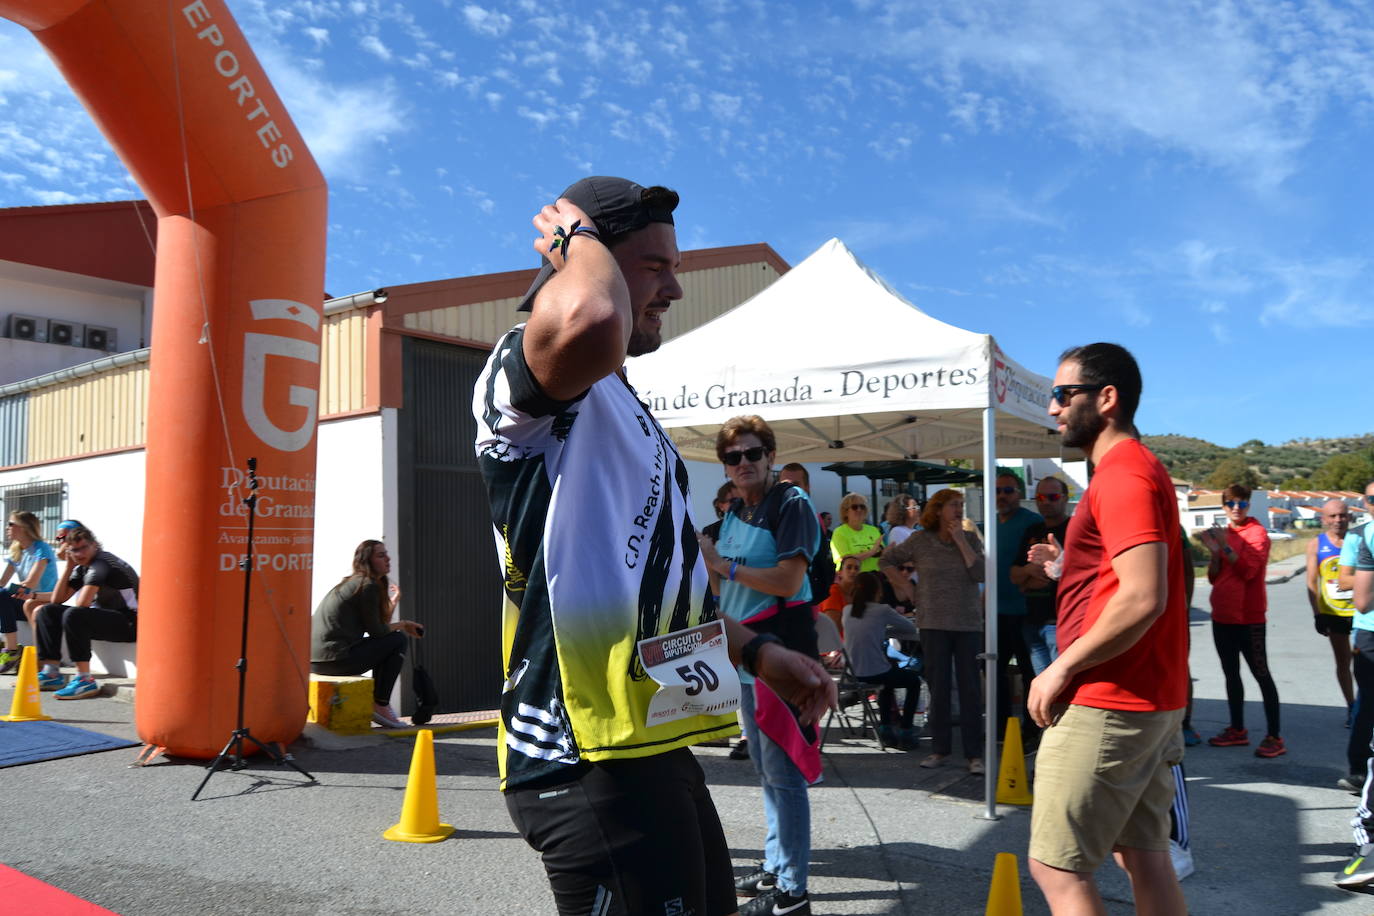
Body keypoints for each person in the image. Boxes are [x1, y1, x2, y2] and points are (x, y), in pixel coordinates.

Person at [472, 176, 834, 916]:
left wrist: (762, 654)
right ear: (587, 258)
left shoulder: (621, 404)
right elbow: (593, 314)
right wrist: (576, 241)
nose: (674, 286)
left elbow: (657, 591)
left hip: (647, 742)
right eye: (655, 265)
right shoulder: (530, 365)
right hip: (582, 758)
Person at [1024, 342, 1188, 915]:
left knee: (1055, 867)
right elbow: (1130, 581)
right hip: (1148, 697)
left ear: (1107, 398)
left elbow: (1144, 595)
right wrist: (1069, 568)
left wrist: (1061, 667)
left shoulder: (1122, 473)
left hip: (1110, 698)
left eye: (1063, 395)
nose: (1053, 408)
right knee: (1143, 855)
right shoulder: (1135, 471)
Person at [698, 414, 821, 916]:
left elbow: (788, 582)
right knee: (769, 772)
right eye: (733, 457)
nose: (743, 463)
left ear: (770, 456)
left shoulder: (790, 502)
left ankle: (792, 892)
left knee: (785, 773)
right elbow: (722, 585)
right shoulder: (733, 512)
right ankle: (776, 866)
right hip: (746, 657)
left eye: (752, 454)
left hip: (781, 654)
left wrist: (719, 564)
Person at [880, 487, 985, 774]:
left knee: (970, 690)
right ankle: (940, 750)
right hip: (932, 622)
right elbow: (885, 560)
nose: (959, 510)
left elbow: (981, 574)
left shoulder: (972, 539)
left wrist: (962, 542)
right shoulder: (920, 540)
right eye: (954, 505)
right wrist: (904, 587)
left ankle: (974, 755)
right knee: (937, 689)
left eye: (961, 505)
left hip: (967, 623)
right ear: (938, 510)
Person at [1197, 483, 1282, 757]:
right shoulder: (1226, 534)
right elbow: (1214, 578)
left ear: (1248, 505)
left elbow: (1247, 572)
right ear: (1224, 506)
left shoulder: (1257, 534)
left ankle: (1274, 737)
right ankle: (1237, 729)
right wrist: (1213, 553)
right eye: (1231, 503)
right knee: (1231, 675)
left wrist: (1224, 546)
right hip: (1222, 617)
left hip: (1249, 618)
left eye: (1242, 504)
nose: (1236, 508)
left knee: (1261, 675)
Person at [310, 540, 422, 729]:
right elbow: (378, 632)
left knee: (392, 639)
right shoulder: (367, 585)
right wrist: (403, 625)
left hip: (318, 661)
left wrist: (393, 602)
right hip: (334, 661)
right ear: (367, 561)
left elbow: (379, 626)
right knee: (398, 640)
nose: (388, 558)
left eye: (386, 553)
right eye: (381, 555)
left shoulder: (356, 582)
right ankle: (381, 703)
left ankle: (380, 703)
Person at [32, 525, 139, 700]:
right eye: (74, 550)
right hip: (110, 618)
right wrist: (68, 567)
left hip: (131, 621)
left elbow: (83, 604)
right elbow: (57, 600)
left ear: (94, 545)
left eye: (84, 548)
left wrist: (74, 565)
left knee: (75, 614)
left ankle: (84, 679)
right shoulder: (83, 567)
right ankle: (51, 673)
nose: (80, 554)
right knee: (48, 611)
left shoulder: (102, 563)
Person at [843, 571, 922, 748]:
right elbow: (909, 627)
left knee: (887, 673)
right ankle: (906, 730)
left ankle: (886, 727)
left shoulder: (847, 610)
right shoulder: (882, 610)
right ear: (877, 591)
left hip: (851, 674)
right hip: (874, 673)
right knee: (912, 681)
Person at [1337, 531, 1374, 889]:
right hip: (1368, 634)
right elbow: (1348, 586)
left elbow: (1360, 597)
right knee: (1366, 711)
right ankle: (1356, 768)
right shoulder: (1363, 536)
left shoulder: (1367, 535)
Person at [993, 471, 1041, 740]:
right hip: (996, 612)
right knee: (994, 671)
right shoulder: (991, 523)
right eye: (998, 490)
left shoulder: (1032, 522)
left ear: (1019, 493)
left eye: (1008, 490)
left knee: (1029, 673)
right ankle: (1000, 728)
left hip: (1025, 611)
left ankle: (1030, 730)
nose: (1002, 495)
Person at [1011, 476, 1072, 675]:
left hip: (1061, 623)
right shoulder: (1033, 530)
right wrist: (1029, 572)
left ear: (1064, 498)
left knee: (1060, 686)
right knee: (1040, 684)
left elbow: (1080, 574)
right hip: (1032, 621)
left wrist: (1054, 568)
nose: (1045, 501)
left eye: (1052, 496)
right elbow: (1015, 575)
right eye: (1040, 496)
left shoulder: (1075, 530)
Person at [1309, 499, 1357, 715]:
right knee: (1343, 661)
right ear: (1324, 519)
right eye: (1333, 516)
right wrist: (1317, 615)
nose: (1338, 520)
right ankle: (1351, 706)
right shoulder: (1316, 544)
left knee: (1366, 663)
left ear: (1349, 517)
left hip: (1361, 611)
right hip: (1333, 612)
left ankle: (1365, 708)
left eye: (1342, 515)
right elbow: (1312, 582)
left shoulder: (1359, 540)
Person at [0, 511, 59, 674]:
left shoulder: (42, 548)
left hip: (43, 600)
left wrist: (9, 589)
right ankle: (11, 650)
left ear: (24, 527)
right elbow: (2, 582)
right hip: (25, 600)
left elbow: (30, 583)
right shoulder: (16, 550)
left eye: (11, 524)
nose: (7, 527)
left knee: (3, 594)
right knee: (1, 593)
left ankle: (11, 651)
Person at [831, 492, 883, 572]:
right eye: (854, 507)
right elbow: (847, 560)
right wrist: (872, 552)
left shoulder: (873, 530)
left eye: (862, 507)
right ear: (845, 512)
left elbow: (882, 551)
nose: (859, 510)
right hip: (852, 580)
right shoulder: (839, 532)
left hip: (874, 577)